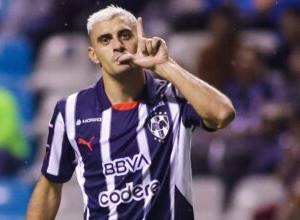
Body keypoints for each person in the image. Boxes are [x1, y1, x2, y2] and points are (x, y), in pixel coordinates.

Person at [26, 5, 235, 220]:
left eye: (125, 35)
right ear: (93, 54)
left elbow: (222, 114)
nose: (117, 45)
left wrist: (165, 66)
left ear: (139, 40)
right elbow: (50, 187)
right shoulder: (70, 111)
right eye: (105, 40)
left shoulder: (174, 97)